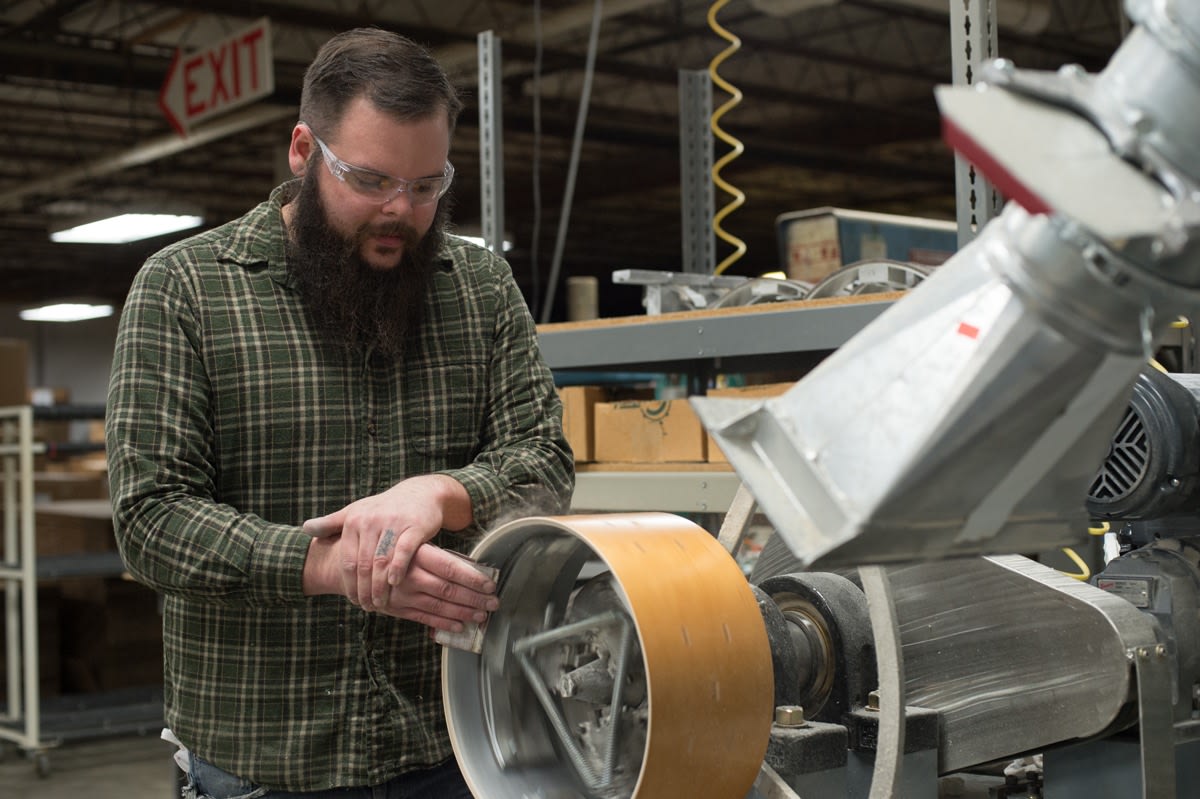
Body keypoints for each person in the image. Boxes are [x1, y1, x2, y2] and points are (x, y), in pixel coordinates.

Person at [105, 27, 575, 799]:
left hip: (452, 745)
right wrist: (328, 564)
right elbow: (152, 517)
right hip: (265, 762)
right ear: (301, 151)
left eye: (427, 187)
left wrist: (440, 492)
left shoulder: (481, 286)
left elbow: (546, 463)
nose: (401, 210)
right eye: (370, 179)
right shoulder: (186, 288)